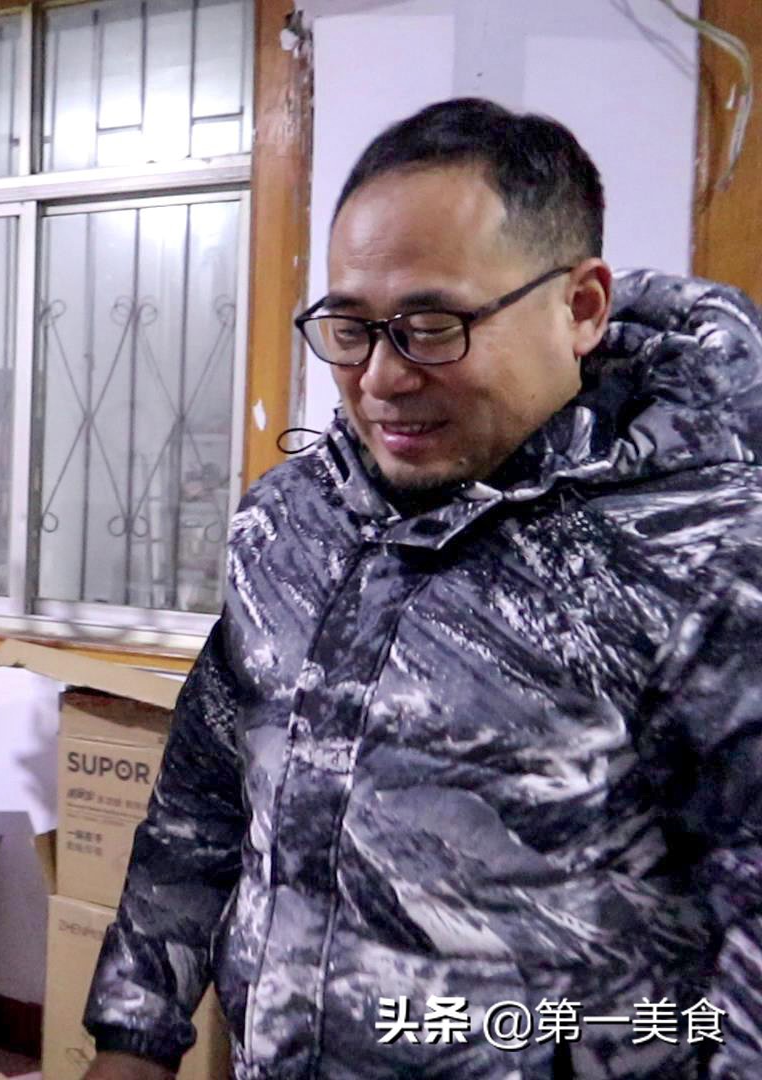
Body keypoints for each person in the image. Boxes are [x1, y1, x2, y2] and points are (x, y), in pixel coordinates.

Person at [82, 98, 762, 1079]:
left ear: (580, 307)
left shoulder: (706, 558)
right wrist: (133, 1034)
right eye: (351, 329)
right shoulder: (290, 525)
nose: (382, 378)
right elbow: (204, 794)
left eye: (433, 326)